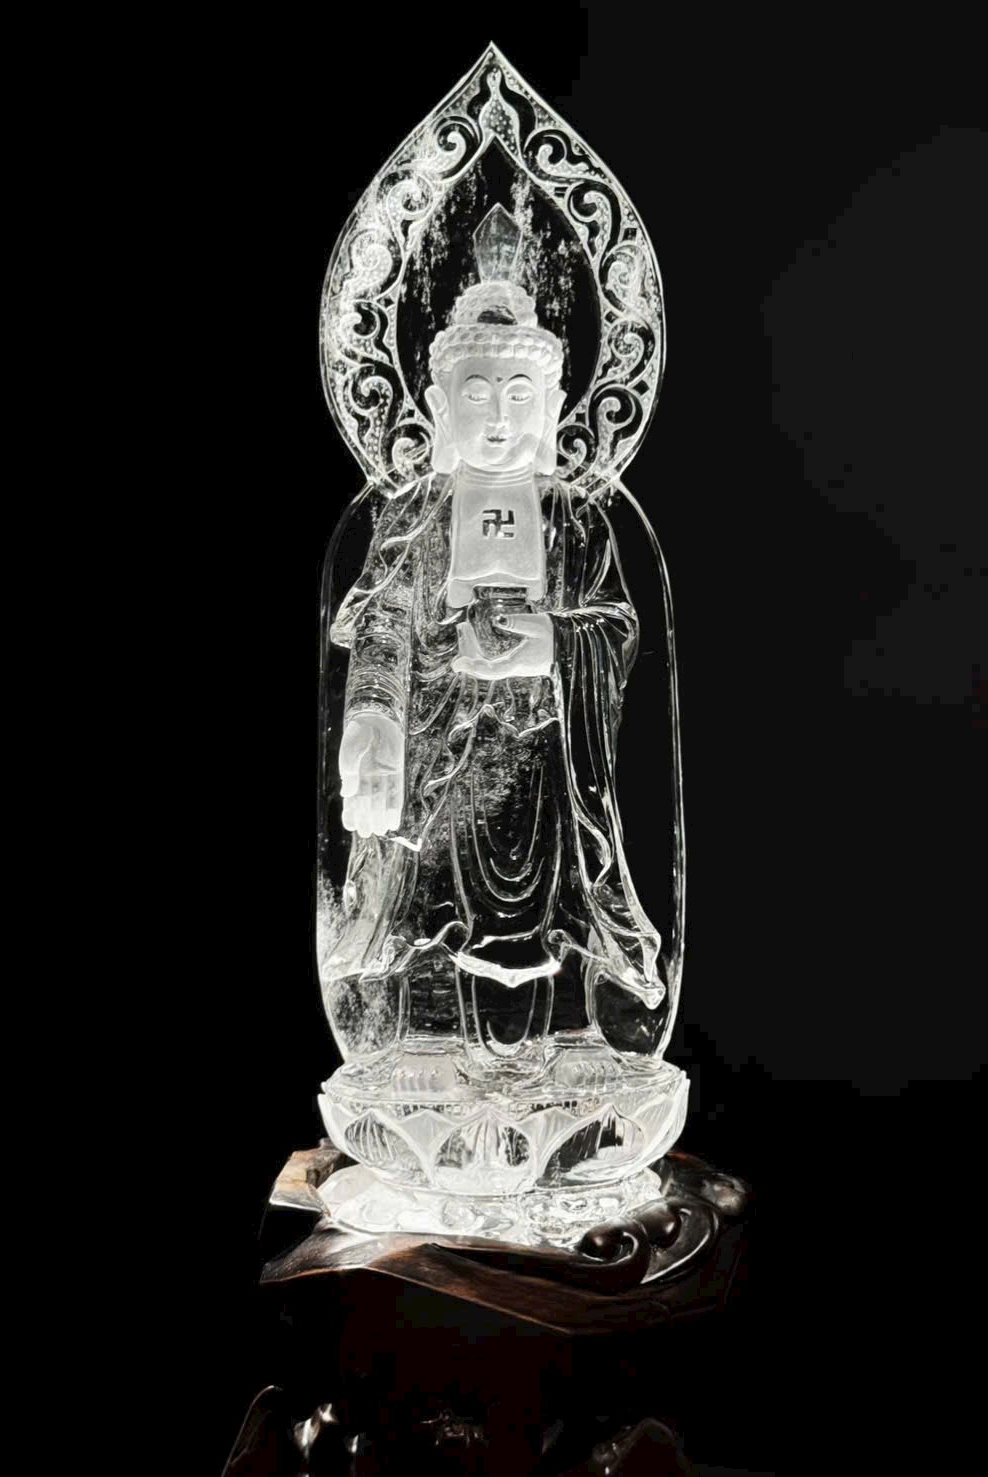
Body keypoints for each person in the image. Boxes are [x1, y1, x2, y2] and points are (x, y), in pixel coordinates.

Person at [322, 207, 665, 1095]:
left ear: (552, 406)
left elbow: (616, 628)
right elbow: (382, 625)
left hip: (546, 763)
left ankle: (563, 1049)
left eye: (519, 397)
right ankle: (424, 1050)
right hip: (443, 766)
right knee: (428, 920)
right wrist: (372, 726)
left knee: (549, 924)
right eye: (476, 397)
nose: (500, 419)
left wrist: (551, 643)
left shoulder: (576, 519)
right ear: (439, 407)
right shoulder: (415, 516)